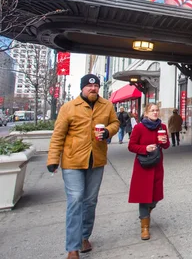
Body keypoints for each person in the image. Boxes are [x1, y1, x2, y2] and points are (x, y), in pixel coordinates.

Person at [46, 74, 120, 259]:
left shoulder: (107, 105)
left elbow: (115, 123)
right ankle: (73, 247)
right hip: (72, 161)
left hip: (96, 160)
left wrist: (108, 132)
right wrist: (53, 159)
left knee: (90, 201)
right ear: (82, 88)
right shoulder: (69, 107)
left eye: (95, 86)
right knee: (76, 199)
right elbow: (58, 135)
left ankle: (84, 236)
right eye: (89, 86)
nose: (93, 89)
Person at [127, 104, 170, 240]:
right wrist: (145, 148)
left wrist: (163, 142)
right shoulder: (139, 128)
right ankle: (144, 227)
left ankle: (147, 212)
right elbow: (131, 146)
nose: (155, 112)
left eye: (157, 110)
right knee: (143, 197)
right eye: (152, 110)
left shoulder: (162, 127)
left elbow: (167, 145)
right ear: (146, 113)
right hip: (143, 166)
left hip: (157, 165)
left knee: (156, 197)